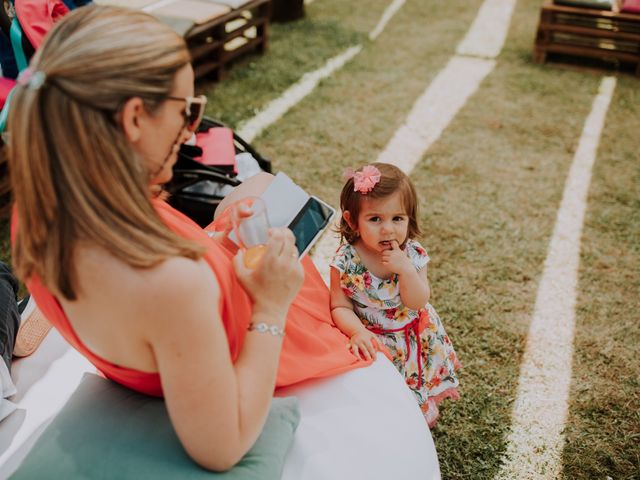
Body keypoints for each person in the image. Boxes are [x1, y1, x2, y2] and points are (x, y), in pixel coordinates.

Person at [4, 5, 379, 471]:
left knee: (257, 189)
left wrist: (216, 236)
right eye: (187, 112)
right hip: (241, 344)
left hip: (164, 334)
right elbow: (220, 448)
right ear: (135, 118)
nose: (192, 133)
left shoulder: (40, 206)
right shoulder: (172, 283)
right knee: (265, 192)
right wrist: (269, 306)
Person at [330, 163, 461, 427]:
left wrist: (406, 272)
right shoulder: (345, 261)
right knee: (383, 399)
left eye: (397, 219)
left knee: (415, 387)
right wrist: (357, 331)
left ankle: (419, 415)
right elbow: (339, 306)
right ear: (351, 220)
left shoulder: (411, 254)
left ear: (409, 219)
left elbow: (417, 300)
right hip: (375, 341)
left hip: (413, 338)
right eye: (375, 219)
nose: (388, 229)